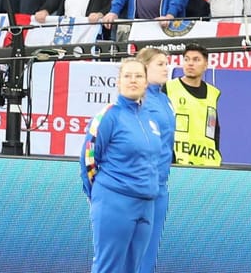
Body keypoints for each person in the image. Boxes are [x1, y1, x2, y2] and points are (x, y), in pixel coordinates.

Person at [82, 58, 167, 273]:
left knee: (133, 269)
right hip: (115, 201)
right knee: (108, 268)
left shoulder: (150, 119)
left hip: (146, 204)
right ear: (118, 82)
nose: (133, 80)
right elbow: (88, 159)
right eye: (127, 76)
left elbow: (154, 161)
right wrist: (100, 196)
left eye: (138, 76)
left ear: (146, 82)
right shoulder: (108, 116)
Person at [134, 49, 177, 273]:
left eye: (167, 63)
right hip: (140, 187)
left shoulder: (165, 99)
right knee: (132, 250)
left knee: (149, 251)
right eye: (160, 64)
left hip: (160, 187)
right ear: (145, 67)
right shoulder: (139, 99)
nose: (165, 68)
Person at [166, 43, 222, 168]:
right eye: (187, 59)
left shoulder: (213, 93)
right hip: (176, 164)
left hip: (207, 165)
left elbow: (214, 130)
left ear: (206, 64)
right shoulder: (169, 88)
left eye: (196, 60)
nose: (190, 63)